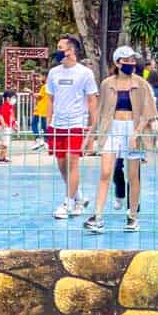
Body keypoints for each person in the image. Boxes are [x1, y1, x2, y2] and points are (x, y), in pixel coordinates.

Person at [83, 47, 157, 233]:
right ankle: (97, 215)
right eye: (127, 60)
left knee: (133, 175)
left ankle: (132, 215)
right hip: (111, 128)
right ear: (117, 62)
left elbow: (148, 111)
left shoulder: (141, 84)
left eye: (133, 60)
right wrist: (90, 137)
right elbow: (99, 112)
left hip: (133, 128)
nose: (131, 64)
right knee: (106, 172)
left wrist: (137, 132)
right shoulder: (107, 84)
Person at [46, 35, 98, 220]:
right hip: (57, 125)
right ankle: (79, 197)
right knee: (62, 165)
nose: (58, 50)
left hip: (76, 123)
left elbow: (92, 100)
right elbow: (50, 99)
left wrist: (92, 127)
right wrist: (48, 123)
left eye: (61, 47)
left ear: (71, 50)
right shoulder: (54, 73)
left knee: (72, 161)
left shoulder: (85, 73)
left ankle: (67, 202)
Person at [0, 90, 16, 163]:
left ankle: (2, 157)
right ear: (8, 98)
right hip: (3, 127)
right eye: (13, 97)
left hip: (8, 126)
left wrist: (14, 124)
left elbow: (12, 116)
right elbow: (0, 115)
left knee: (6, 143)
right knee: (5, 143)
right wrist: (3, 123)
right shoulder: (4, 106)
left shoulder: (11, 106)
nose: (14, 99)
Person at [30, 73, 49, 151]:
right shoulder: (48, 86)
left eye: (40, 76)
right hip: (43, 109)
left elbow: (39, 96)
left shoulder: (45, 87)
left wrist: (31, 93)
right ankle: (45, 142)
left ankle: (39, 140)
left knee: (35, 124)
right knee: (44, 126)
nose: (39, 78)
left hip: (42, 109)